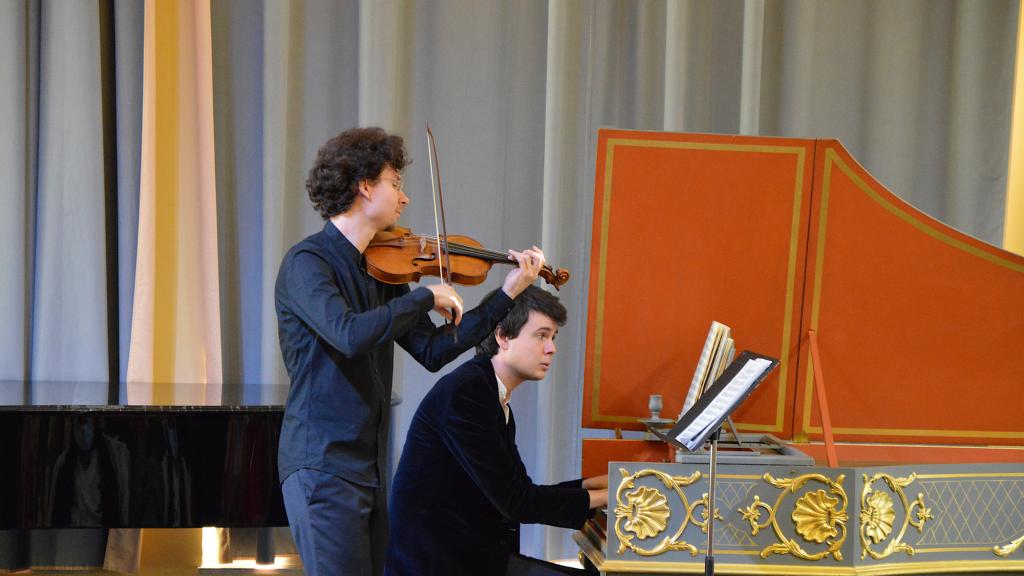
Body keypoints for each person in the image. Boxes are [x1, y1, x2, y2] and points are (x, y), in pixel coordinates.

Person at [275, 127, 546, 576]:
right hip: (321, 466)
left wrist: (508, 293)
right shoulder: (308, 264)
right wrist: (423, 297)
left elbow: (435, 349)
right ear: (364, 186)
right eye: (395, 184)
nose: (404, 200)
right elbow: (347, 334)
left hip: (370, 469)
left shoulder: (382, 275)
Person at [386, 286, 608, 576]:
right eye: (541, 335)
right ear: (503, 336)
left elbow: (515, 492)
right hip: (438, 565)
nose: (551, 348)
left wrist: (586, 486)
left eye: (553, 337)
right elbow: (517, 503)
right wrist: (607, 496)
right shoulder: (468, 393)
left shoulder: (488, 392)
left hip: (469, 556)